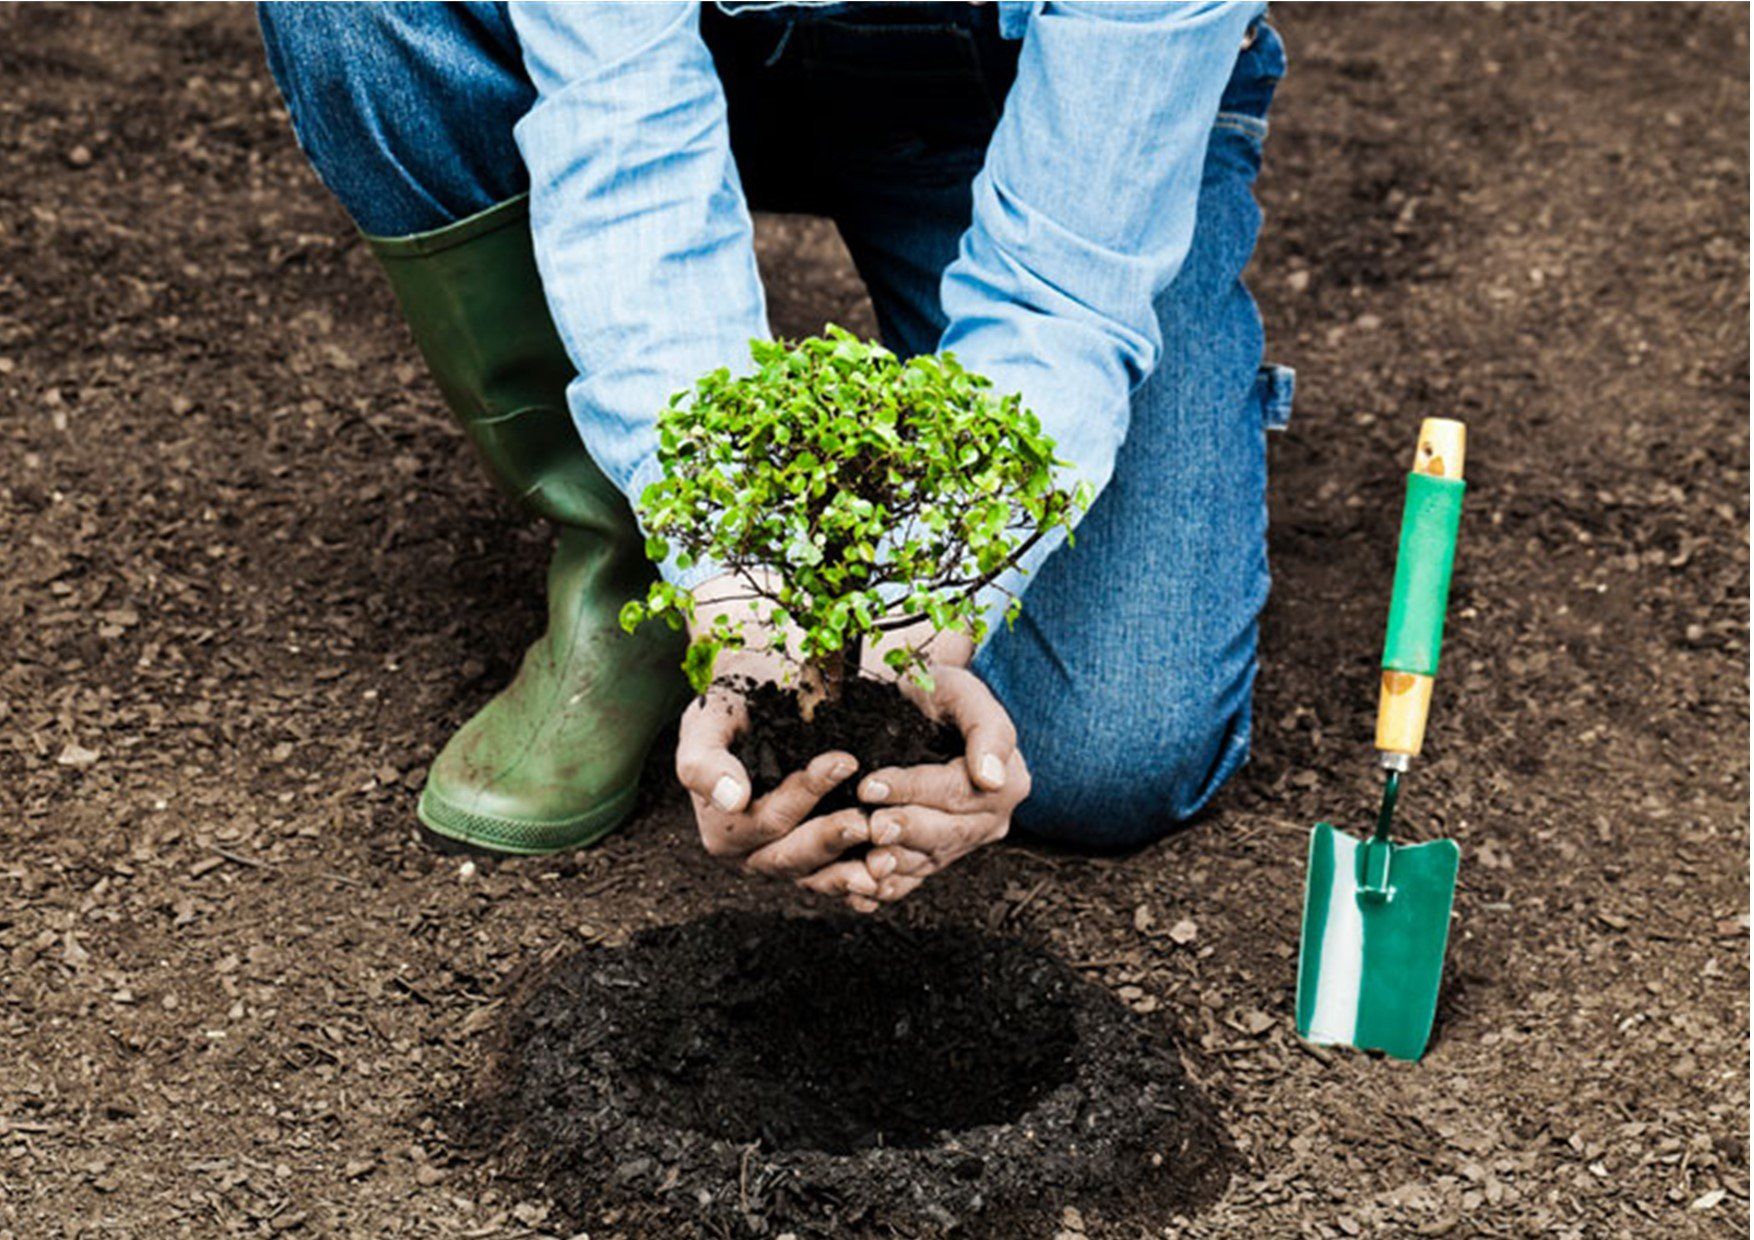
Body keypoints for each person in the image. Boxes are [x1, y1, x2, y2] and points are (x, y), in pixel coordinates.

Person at [256, 1, 1291, 912]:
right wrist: (730, 579)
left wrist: (926, 613)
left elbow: (1059, 290)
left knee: (1105, 753)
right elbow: (628, 155)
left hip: (1030, 100)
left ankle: (857, 534)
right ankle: (631, 572)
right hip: (707, 54)